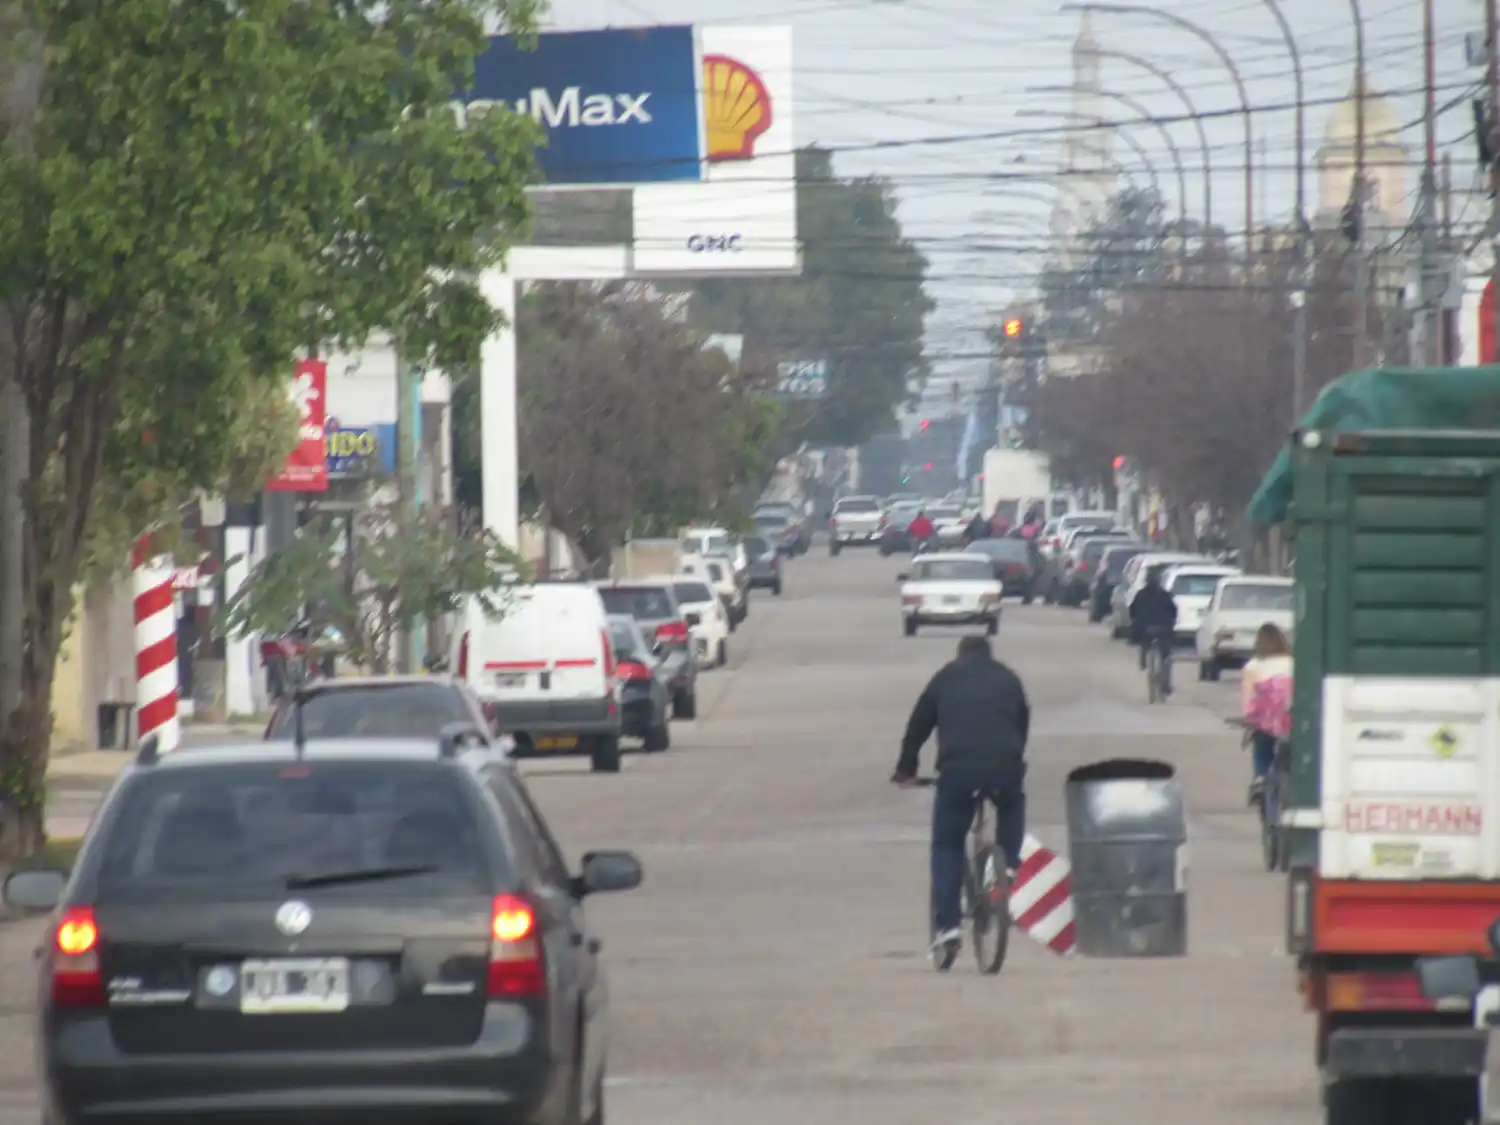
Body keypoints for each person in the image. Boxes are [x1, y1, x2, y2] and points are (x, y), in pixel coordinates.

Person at [891, 635, 1030, 960]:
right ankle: (1008, 865)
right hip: (1004, 767)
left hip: (958, 772)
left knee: (947, 845)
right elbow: (1022, 722)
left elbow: (918, 725)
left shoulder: (945, 677)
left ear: (960, 655)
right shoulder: (1009, 678)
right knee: (1012, 804)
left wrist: (906, 768)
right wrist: (1012, 757)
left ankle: (949, 927)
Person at [1242, 623, 1293, 804]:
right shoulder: (1293, 662)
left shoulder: (1253, 666)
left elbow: (1249, 701)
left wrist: (1249, 718)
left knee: (1261, 742)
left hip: (1267, 722)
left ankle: (1261, 778)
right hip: (1292, 721)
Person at [1129, 570, 1178, 696]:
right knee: (1167, 657)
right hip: (1163, 631)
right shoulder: (1165, 595)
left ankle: (1143, 660)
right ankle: (1165, 685)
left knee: (1142, 641)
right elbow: (1173, 611)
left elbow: (1132, 611)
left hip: (1145, 631)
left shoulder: (1140, 594)